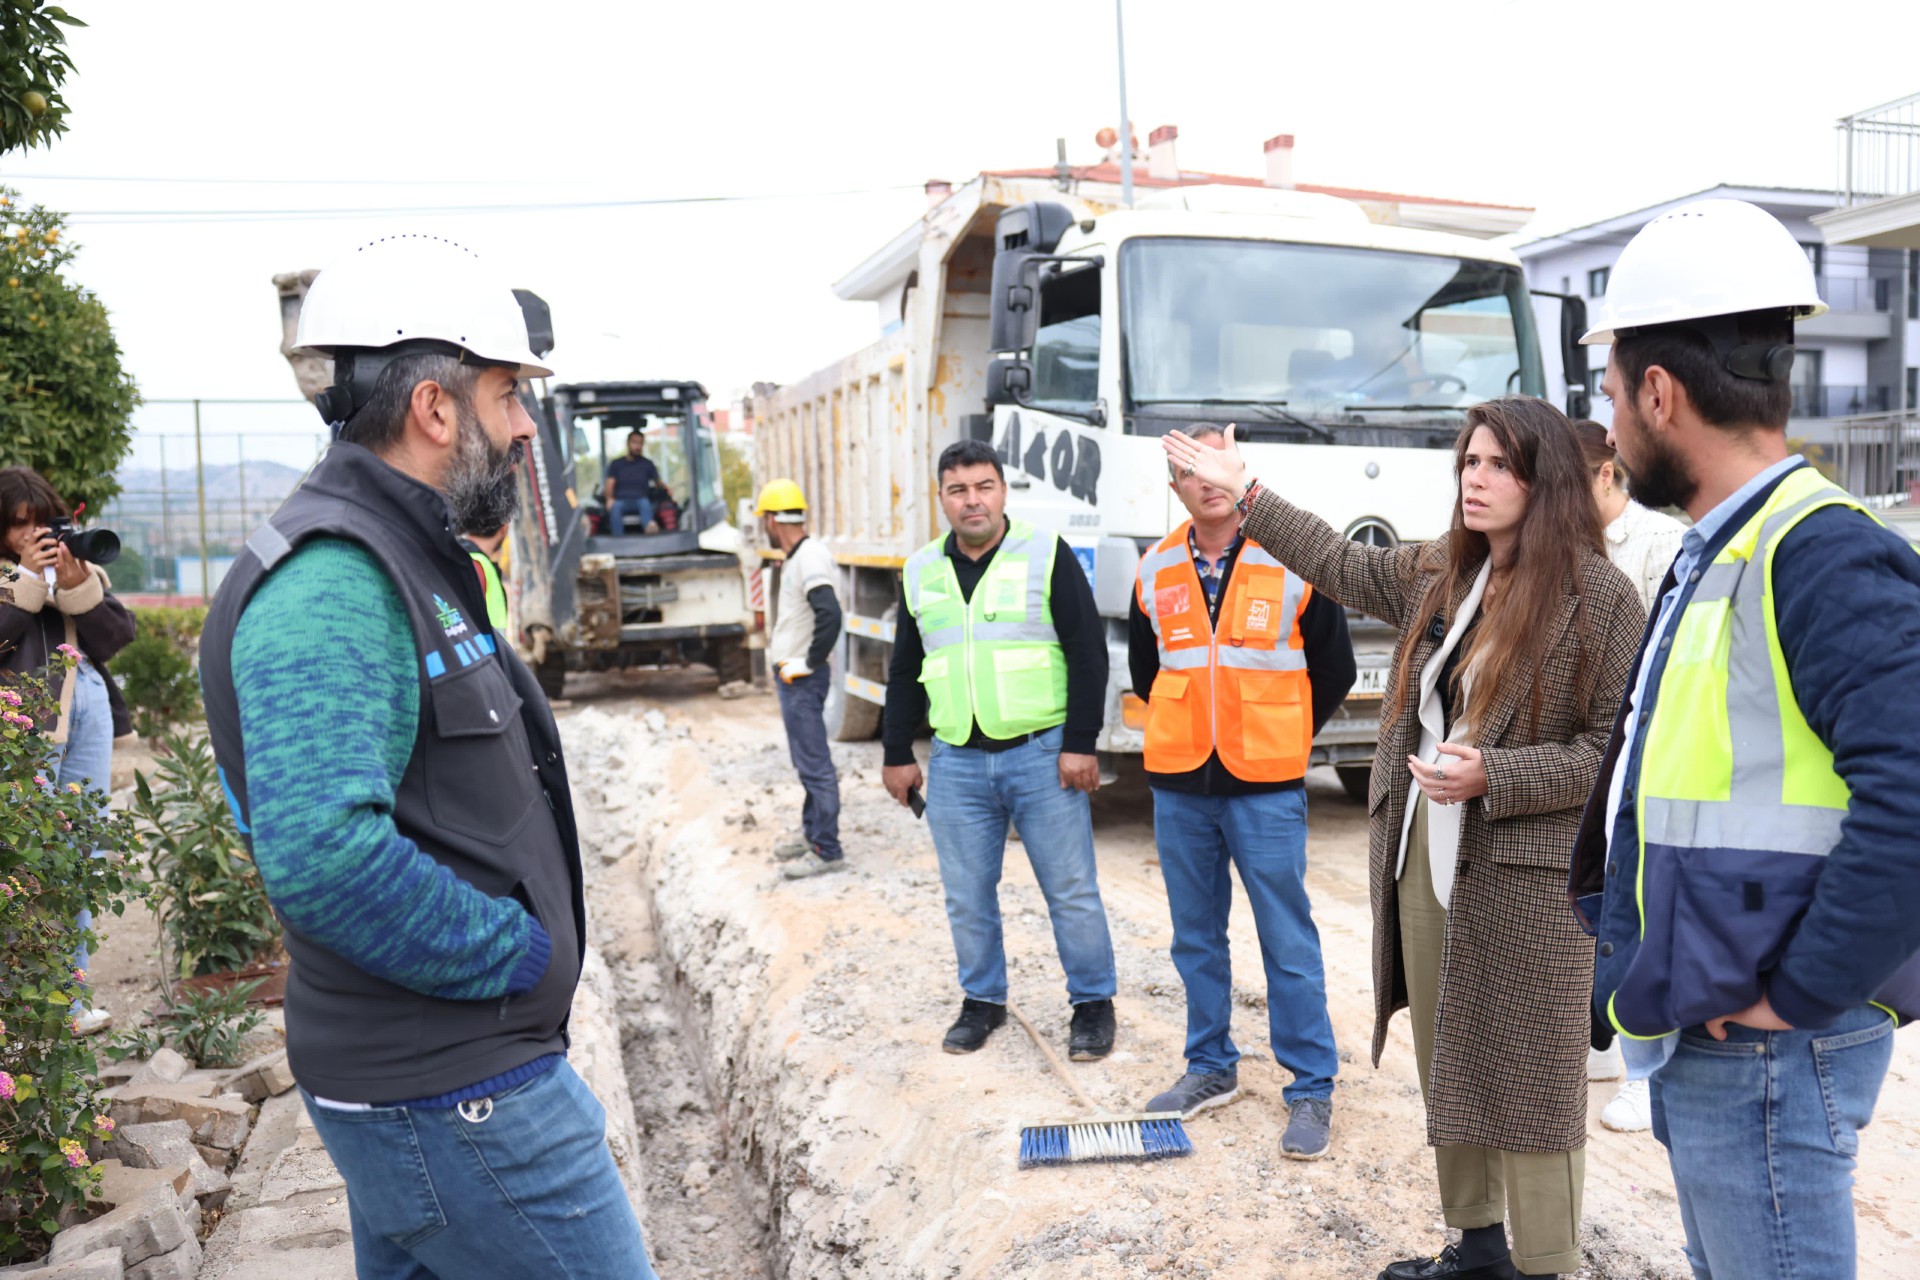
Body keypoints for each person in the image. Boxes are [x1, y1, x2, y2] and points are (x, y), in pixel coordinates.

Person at [198, 234, 655, 1279]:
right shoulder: (336, 580)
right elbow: (319, 851)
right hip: (459, 1092)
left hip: (438, 1080)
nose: (528, 426)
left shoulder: (407, 552)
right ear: (436, 408)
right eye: (508, 396)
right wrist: (519, 958)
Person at [1164, 399, 1645, 1280]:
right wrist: (1248, 493)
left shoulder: (1601, 597)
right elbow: (1338, 562)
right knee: (1447, 1050)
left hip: (1528, 877)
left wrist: (1497, 775)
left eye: (1500, 465)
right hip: (1424, 853)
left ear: (1549, 480)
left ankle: (1547, 1262)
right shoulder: (1445, 573)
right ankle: (1478, 1247)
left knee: (1534, 1080)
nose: (1477, 478)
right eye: (1470, 462)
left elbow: (1608, 753)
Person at [1568, 198, 1920, 1280]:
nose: (1615, 424)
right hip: (1719, 1019)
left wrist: (1800, 993)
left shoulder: (1816, 554)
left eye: (1616, 396)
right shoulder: (1721, 549)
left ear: (1661, 394)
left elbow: (1912, 795)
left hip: (1766, 1035)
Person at [1130, 425, 1356, 1160]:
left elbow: (1335, 668)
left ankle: (1312, 1087)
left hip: (1265, 785)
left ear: (1238, 471)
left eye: (1216, 464)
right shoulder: (1154, 568)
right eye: (1190, 470)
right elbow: (1149, 674)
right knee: (1195, 936)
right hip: (1181, 782)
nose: (1207, 480)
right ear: (1176, 486)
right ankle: (1210, 1068)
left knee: (1287, 938)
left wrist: (1283, 733)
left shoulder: (1292, 558)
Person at [881, 439, 1118, 1060]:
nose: (972, 500)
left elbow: (1088, 652)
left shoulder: (1045, 553)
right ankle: (982, 1002)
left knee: (1070, 888)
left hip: (1042, 756)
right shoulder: (921, 571)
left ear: (1003, 491)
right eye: (958, 490)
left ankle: (1092, 1004)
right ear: (942, 499)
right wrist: (896, 751)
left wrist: (1081, 744)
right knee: (966, 892)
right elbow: (905, 669)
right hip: (956, 759)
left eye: (983, 486)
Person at [1569, 419, 1684, 1132]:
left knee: (1643, 910)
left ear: (1609, 475)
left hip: (1649, 753)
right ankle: (1603, 1042)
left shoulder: (1659, 544)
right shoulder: (1574, 547)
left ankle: (1649, 1069)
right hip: (1592, 747)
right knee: (1595, 906)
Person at [0, 466, 136, 1037]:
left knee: (80, 855)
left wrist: (77, 583)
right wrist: (25, 581)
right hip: (24, 725)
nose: (36, 537)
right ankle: (24, 1003)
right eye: (20, 527)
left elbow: (116, 637)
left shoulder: (72, 569)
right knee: (26, 864)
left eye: (44, 525)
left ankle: (71, 1002)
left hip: (88, 710)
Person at [757, 477, 847, 880]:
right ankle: (813, 834)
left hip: (802, 679)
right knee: (806, 759)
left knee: (814, 764)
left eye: (764, 519)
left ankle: (827, 850)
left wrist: (809, 662)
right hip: (795, 677)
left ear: (773, 519)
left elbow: (829, 612)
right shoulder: (799, 557)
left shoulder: (809, 558)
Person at [602, 430, 661, 534]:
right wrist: (609, 499)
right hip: (621, 500)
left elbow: (658, 482)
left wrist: (667, 489)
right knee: (615, 507)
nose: (637, 446)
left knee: (646, 504)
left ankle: (650, 529)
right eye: (634, 442)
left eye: (640, 443)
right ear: (628, 443)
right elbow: (610, 483)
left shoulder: (647, 464)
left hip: (641, 499)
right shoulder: (616, 464)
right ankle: (617, 538)